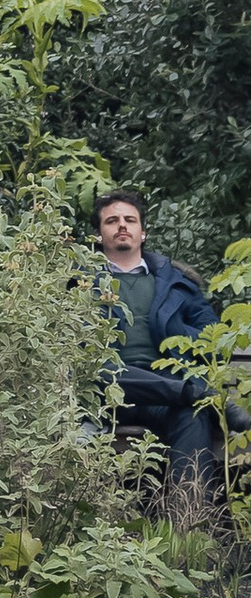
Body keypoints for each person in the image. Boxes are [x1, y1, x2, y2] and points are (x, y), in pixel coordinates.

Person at [96, 191, 219, 487]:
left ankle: (190, 519)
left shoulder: (177, 283)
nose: (122, 226)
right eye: (112, 221)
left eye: (130, 220)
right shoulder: (79, 282)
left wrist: (174, 332)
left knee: (192, 416)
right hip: (107, 391)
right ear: (99, 235)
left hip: (165, 388)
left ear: (143, 232)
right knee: (99, 369)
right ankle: (192, 392)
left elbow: (213, 337)